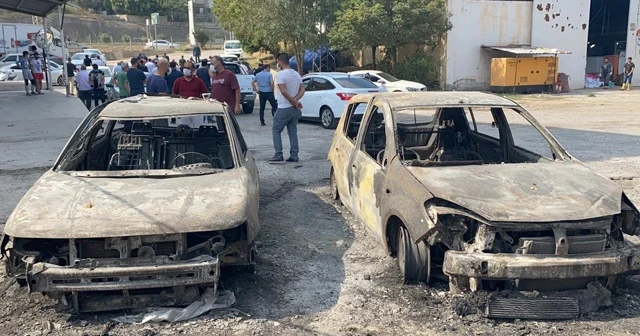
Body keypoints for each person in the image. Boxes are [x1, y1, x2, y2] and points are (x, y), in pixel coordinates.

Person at [270, 53, 304, 162]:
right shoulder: (296, 74)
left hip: (284, 107)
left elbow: (283, 91)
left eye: (277, 62)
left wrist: (292, 101)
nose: (277, 64)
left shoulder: (281, 75)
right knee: (292, 131)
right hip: (295, 110)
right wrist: (295, 100)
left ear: (281, 62)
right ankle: (294, 155)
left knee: (276, 130)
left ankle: (278, 154)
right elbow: (302, 90)